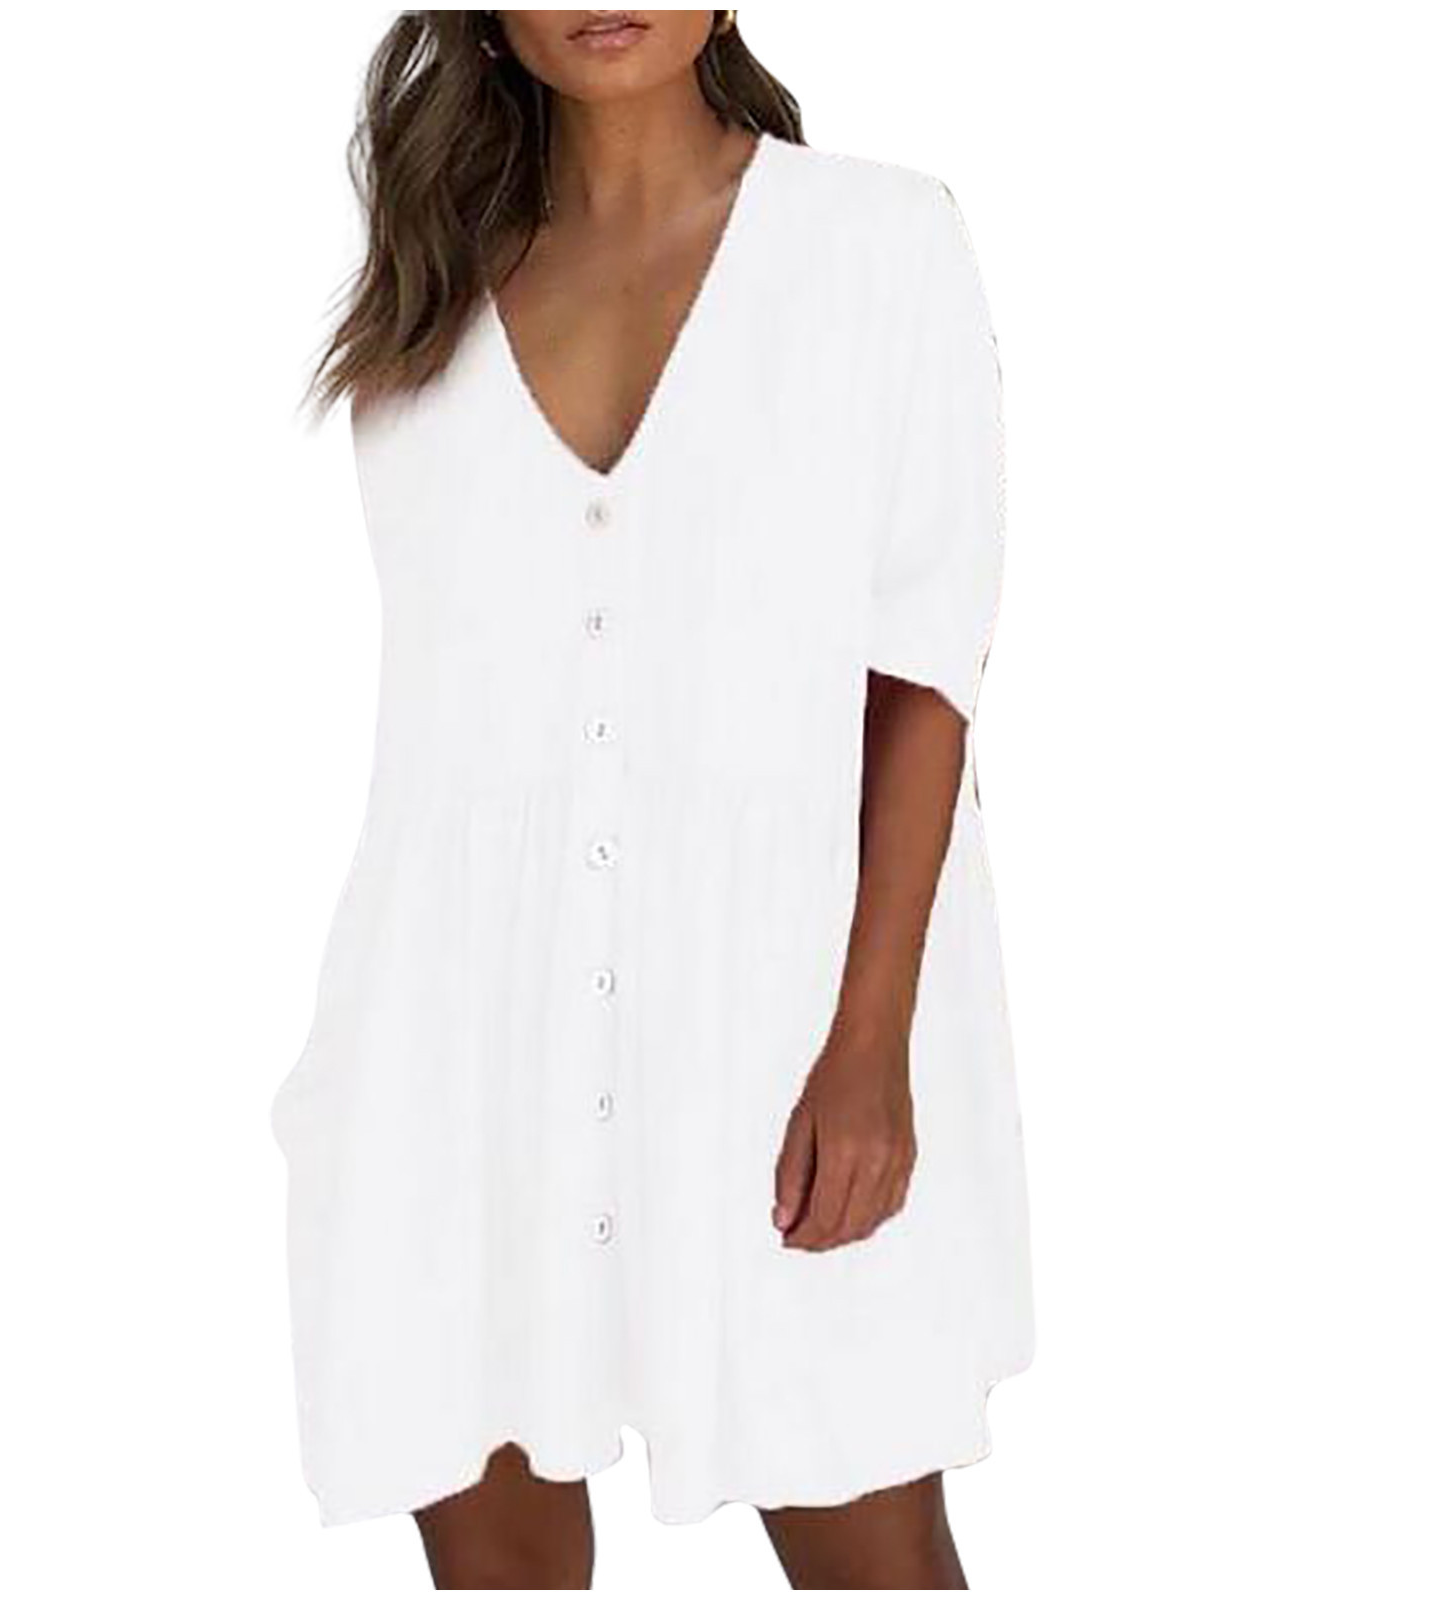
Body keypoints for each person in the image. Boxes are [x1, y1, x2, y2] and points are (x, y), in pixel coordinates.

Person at [271, 9, 1034, 1589]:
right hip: (460, 1052)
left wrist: (872, 1047)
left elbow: (922, 681)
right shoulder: (427, 295)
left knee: (872, 1539)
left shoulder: (879, 244)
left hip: (779, 1023)